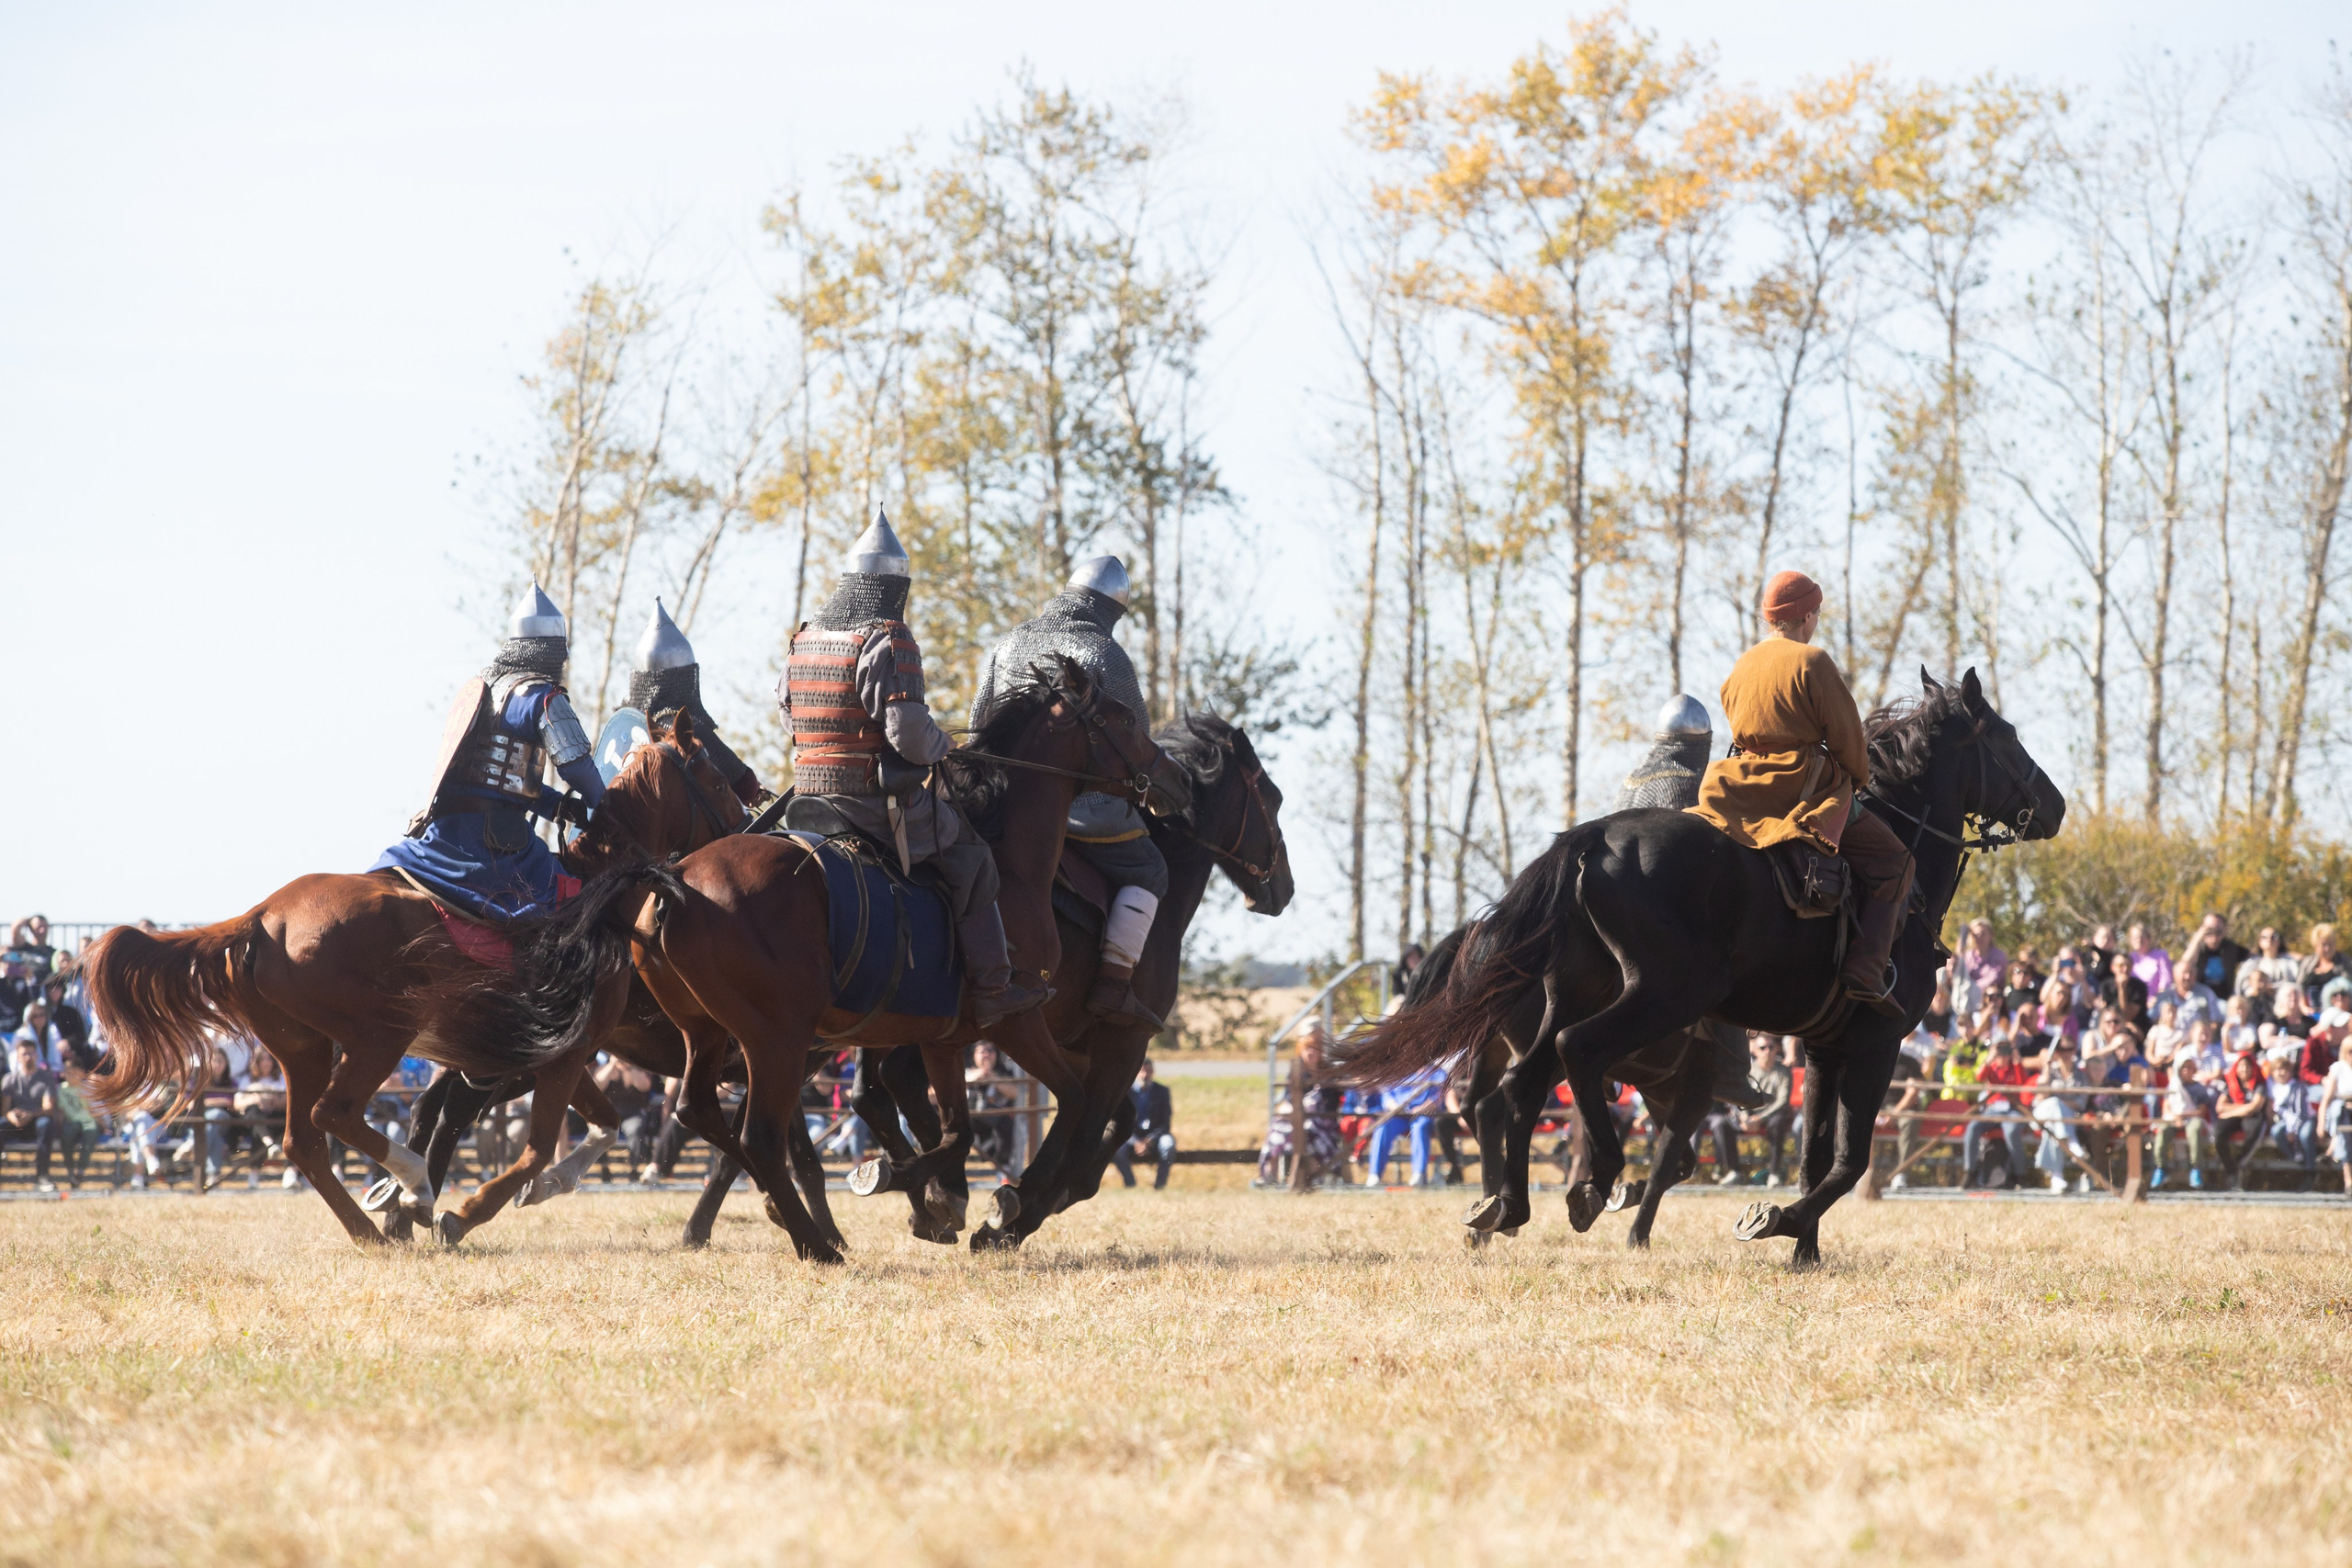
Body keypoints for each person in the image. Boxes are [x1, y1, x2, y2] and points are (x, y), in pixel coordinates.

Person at [784, 513, 1047, 1028]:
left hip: (806, 799)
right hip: (868, 803)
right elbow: (908, 734)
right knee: (971, 853)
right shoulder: (888, 638)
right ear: (894, 586)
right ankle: (993, 986)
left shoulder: (806, 637)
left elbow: (789, 713)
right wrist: (942, 745)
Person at [967, 555, 1190, 1025]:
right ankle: (1113, 983)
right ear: (1111, 610)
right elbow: (1134, 746)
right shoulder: (1105, 654)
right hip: (1082, 807)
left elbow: (976, 725)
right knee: (1151, 869)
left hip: (995, 801)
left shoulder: (1011, 640)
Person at [1687, 570, 1914, 1008]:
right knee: (1896, 862)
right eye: (1818, 613)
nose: (1818, 621)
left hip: (1738, 785)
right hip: (1801, 786)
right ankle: (1866, 968)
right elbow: (1848, 740)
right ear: (1806, 615)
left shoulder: (1742, 665)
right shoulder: (1812, 662)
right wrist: (1856, 781)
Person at [371, 582, 606, 921]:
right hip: (494, 846)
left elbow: (494, 778)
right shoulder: (541, 697)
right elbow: (577, 768)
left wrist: (555, 804)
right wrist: (605, 803)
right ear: (551, 651)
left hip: (443, 832)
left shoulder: (480, 690)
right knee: (567, 901)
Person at [1617, 694, 1770, 1106]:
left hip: (1614, 899)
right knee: (1722, 965)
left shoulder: (1633, 779)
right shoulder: (1692, 781)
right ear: (1702, 741)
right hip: (1661, 906)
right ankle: (1733, 1073)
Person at [626, 598, 763, 806]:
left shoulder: (625, 725)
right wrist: (754, 791)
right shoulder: (684, 729)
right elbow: (744, 784)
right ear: (685, 677)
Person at [1260, 1022, 1344, 1187]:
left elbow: (1332, 1103)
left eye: (1314, 1048)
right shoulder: (1297, 1071)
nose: (1311, 1052)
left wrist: (1314, 1106)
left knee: (1310, 1131)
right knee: (1278, 1127)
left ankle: (1314, 1177)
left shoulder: (1329, 1072)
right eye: (1307, 1048)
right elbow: (1289, 1096)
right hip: (1298, 1117)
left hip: (1323, 1122)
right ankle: (1269, 1173)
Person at [1712, 1033, 1795, 1187]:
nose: (1768, 1051)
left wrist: (1760, 1118)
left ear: (1777, 1049)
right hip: (1749, 1114)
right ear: (1755, 1050)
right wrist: (1744, 1117)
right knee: (1721, 1124)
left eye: (1771, 1047)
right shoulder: (1747, 1071)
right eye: (1763, 1047)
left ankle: (1774, 1174)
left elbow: (1782, 1101)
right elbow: (1738, 1096)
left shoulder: (1784, 1072)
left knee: (1777, 1123)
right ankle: (1734, 1172)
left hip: (1771, 1116)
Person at [1964, 1035, 2034, 1189]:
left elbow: (2022, 1083)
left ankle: (2019, 1175)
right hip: (1992, 1110)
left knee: (2011, 1132)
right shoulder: (1992, 1067)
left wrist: (2016, 1061)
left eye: (2006, 1049)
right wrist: (1989, 1059)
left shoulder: (2015, 1067)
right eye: (2000, 1050)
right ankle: (1970, 1172)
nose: (2003, 1054)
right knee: (1972, 1128)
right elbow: (1979, 1077)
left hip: (2013, 1110)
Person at [1, 1036, 58, 1191]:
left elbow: (49, 1107)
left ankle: (42, 1177)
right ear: (18, 1057)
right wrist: (11, 1116)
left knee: (46, 1123)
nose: (28, 1057)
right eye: (24, 1054)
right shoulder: (10, 1079)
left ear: (37, 1055)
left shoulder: (46, 1078)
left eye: (31, 1053)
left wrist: (30, 1114)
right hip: (16, 1123)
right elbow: (5, 1110)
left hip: (37, 1121)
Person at [2212, 1043, 2271, 1190]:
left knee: (2253, 1131)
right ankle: (2231, 1170)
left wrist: (2230, 1111)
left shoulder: (2259, 1084)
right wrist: (2242, 1110)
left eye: (2247, 1066)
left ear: (2252, 1067)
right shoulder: (2232, 1083)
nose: (2244, 1069)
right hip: (2236, 1116)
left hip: (2254, 1118)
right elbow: (2220, 1107)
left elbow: (2255, 1107)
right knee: (2219, 1133)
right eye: (2241, 1066)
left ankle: (2237, 1163)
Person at [1112, 1057, 1176, 1190]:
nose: (1145, 1075)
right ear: (1135, 1072)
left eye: (1148, 1071)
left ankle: (1160, 1185)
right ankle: (1130, 1184)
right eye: (1142, 1071)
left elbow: (1165, 1122)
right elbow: (1121, 1122)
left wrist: (1149, 1140)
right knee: (1116, 1148)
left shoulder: (1162, 1092)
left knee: (1168, 1145)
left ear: (1153, 1072)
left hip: (1155, 1136)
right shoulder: (1126, 1093)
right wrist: (1135, 1141)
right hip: (1131, 1136)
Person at [2266, 1052, 2319, 1187]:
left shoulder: (2297, 1087)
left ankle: (2311, 1170)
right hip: (2288, 1121)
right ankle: (2299, 1160)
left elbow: (2301, 1113)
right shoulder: (2274, 1089)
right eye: (2277, 1070)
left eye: (2284, 1069)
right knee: (2276, 1131)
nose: (2281, 1073)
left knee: (2305, 1135)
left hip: (2306, 1119)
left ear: (2290, 1071)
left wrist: (2292, 1131)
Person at [965, 1041, 1018, 1173]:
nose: (986, 1055)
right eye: (982, 1051)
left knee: (1007, 1123)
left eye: (990, 1051)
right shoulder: (964, 1071)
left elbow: (1014, 1093)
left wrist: (993, 1078)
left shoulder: (1003, 1072)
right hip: (968, 1118)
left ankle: (1003, 1171)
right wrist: (975, 1077)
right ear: (974, 1055)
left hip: (995, 1118)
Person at [2316, 1035, 2352, 1196]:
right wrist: (2321, 1123)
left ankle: (2331, 1152)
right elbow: (2327, 1099)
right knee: (2344, 1128)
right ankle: (2349, 1181)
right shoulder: (2338, 1068)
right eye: (2350, 1051)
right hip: (2342, 1114)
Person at [2186, 912, 2249, 1000]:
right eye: (2209, 930)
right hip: (2198, 997)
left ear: (2225, 930)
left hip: (2223, 998)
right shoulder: (2197, 948)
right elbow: (2184, 963)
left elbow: (2254, 958)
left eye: (2218, 931)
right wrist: (2196, 940)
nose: (2214, 935)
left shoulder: (2231, 948)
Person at [2299, 925, 2347, 1015]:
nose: (2327, 948)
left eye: (2330, 944)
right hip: (2311, 1014)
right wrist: (2303, 1006)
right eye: (2324, 945)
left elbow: (2348, 990)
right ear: (2315, 945)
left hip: (2337, 1015)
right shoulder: (2307, 963)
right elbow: (2300, 986)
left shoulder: (2344, 963)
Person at [2125, 923, 2172, 998]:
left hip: (2155, 1001)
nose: (2139, 940)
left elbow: (2166, 982)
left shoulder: (2161, 955)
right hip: (2134, 1001)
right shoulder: (2129, 958)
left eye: (2142, 937)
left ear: (2149, 938)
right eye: (2135, 938)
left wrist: (2156, 999)